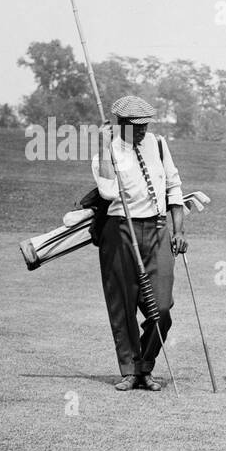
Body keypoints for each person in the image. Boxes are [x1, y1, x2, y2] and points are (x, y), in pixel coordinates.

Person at [91, 94, 187, 391]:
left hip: (157, 229)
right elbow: (108, 192)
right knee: (123, 304)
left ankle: (145, 363)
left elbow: (173, 185)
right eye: (136, 126)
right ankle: (132, 371)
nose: (143, 130)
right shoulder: (104, 152)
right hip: (120, 230)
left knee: (162, 308)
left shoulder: (158, 144)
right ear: (120, 125)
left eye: (146, 125)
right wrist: (103, 147)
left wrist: (179, 229)